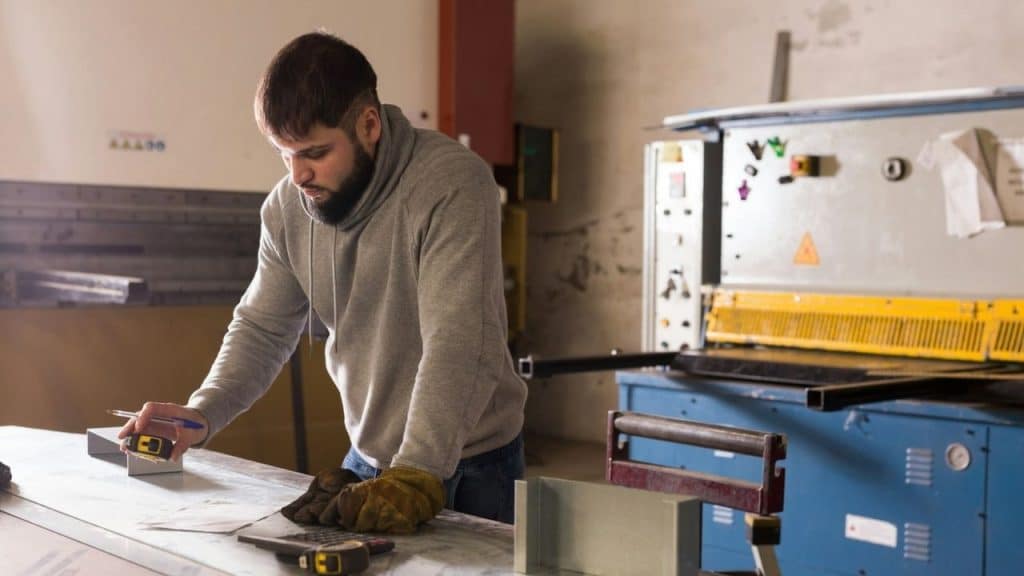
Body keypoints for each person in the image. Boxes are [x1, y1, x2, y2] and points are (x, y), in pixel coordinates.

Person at [119, 31, 527, 533]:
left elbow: (459, 342)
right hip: (369, 457)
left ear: (369, 124)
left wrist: (417, 474)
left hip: (470, 463)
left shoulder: (451, 184)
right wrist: (200, 413)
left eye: (313, 152)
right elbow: (262, 328)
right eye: (283, 153)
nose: (297, 175)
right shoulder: (289, 207)